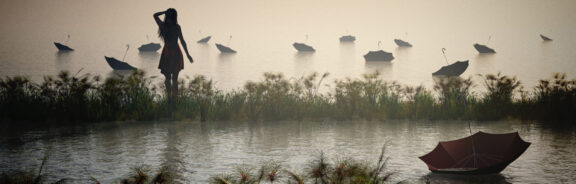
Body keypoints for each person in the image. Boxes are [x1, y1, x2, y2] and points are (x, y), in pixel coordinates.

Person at [154, 8, 193, 98]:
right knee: (168, 79)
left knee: (174, 79)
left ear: (173, 17)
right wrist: (165, 11)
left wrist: (188, 54)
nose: (169, 18)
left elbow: (182, 41)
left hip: (174, 53)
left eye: (170, 16)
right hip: (169, 53)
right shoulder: (164, 26)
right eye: (168, 16)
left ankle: (174, 98)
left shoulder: (174, 27)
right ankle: (169, 98)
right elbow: (155, 15)